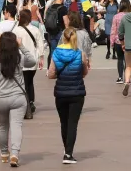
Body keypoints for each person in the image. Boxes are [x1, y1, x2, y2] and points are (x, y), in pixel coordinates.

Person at [0, 31, 36, 167]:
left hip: (0, 98)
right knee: (16, 125)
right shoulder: (19, 58)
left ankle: (4, 153)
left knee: (2, 126)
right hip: (18, 97)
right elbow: (32, 60)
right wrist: (21, 45)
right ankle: (15, 154)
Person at [48, 27, 87, 164]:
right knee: (72, 123)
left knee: (63, 123)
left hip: (61, 93)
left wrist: (59, 74)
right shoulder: (80, 53)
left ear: (63, 37)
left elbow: (51, 74)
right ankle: (68, 153)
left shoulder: (56, 53)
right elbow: (84, 72)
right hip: (77, 92)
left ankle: (66, 150)